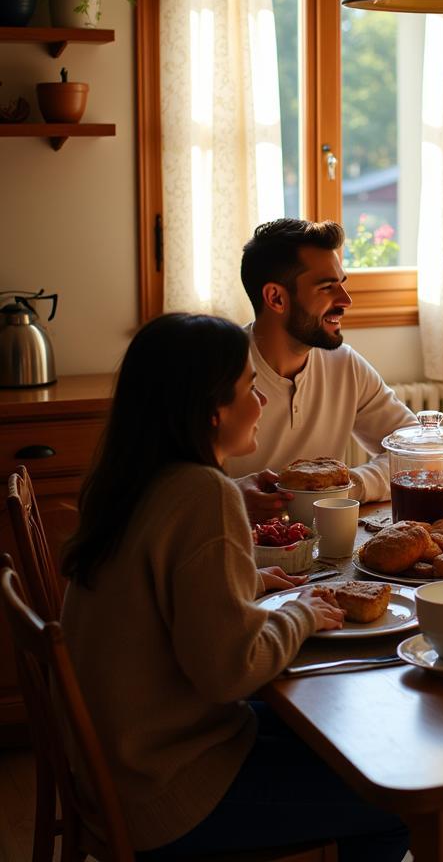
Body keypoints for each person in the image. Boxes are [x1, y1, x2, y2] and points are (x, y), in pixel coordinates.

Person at [60, 314, 409, 861]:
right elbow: (230, 670)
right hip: (171, 789)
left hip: (125, 762)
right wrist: (302, 613)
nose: (262, 402)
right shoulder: (204, 493)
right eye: (250, 387)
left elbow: (165, 594)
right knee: (398, 799)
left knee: (344, 741)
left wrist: (245, 578)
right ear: (211, 411)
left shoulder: (133, 479)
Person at [226, 218, 416, 520]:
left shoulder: (344, 363)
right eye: (328, 288)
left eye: (342, 284)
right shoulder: (215, 370)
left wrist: (344, 488)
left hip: (323, 549)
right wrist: (229, 497)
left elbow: (416, 451)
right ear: (276, 298)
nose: (346, 301)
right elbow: (157, 486)